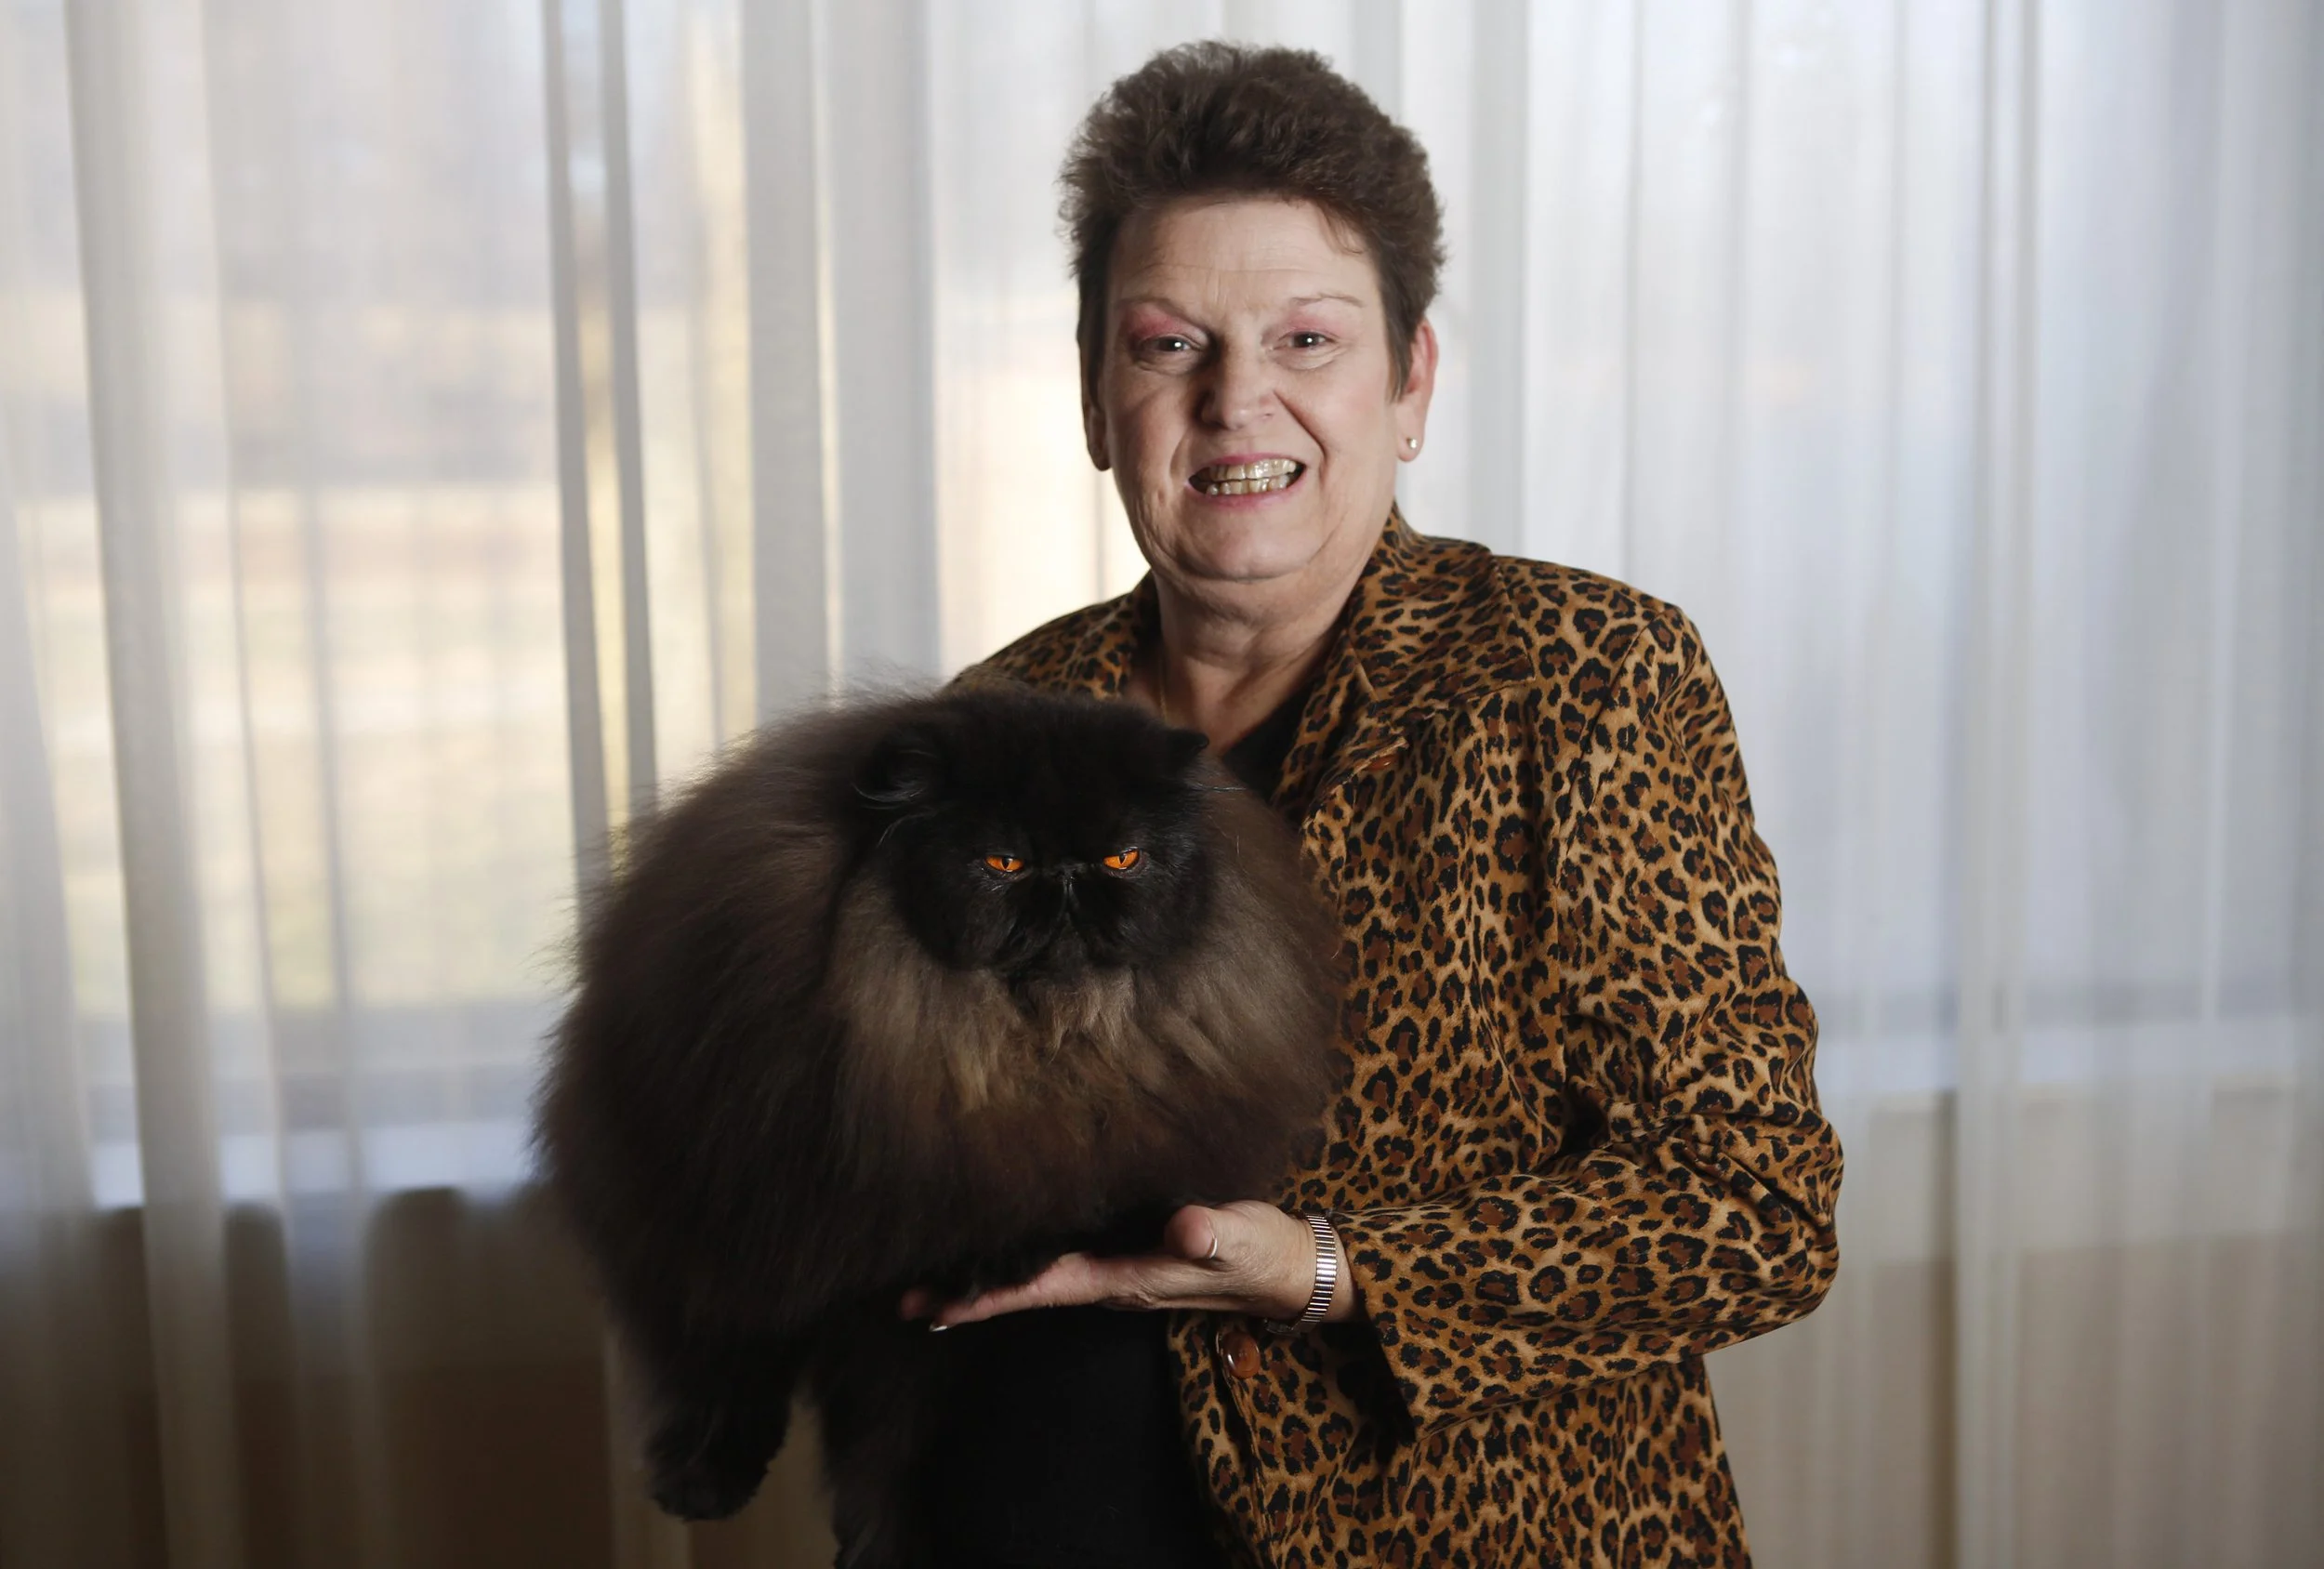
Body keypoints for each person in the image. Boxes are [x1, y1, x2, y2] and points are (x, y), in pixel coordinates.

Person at [914, 41, 1842, 1568]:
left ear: (1409, 383)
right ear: (1097, 396)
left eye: (1306, 339)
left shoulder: (1587, 677)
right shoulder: (988, 725)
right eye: (1166, 346)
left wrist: (1329, 1269)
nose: (1236, 401)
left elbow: (1755, 1207)